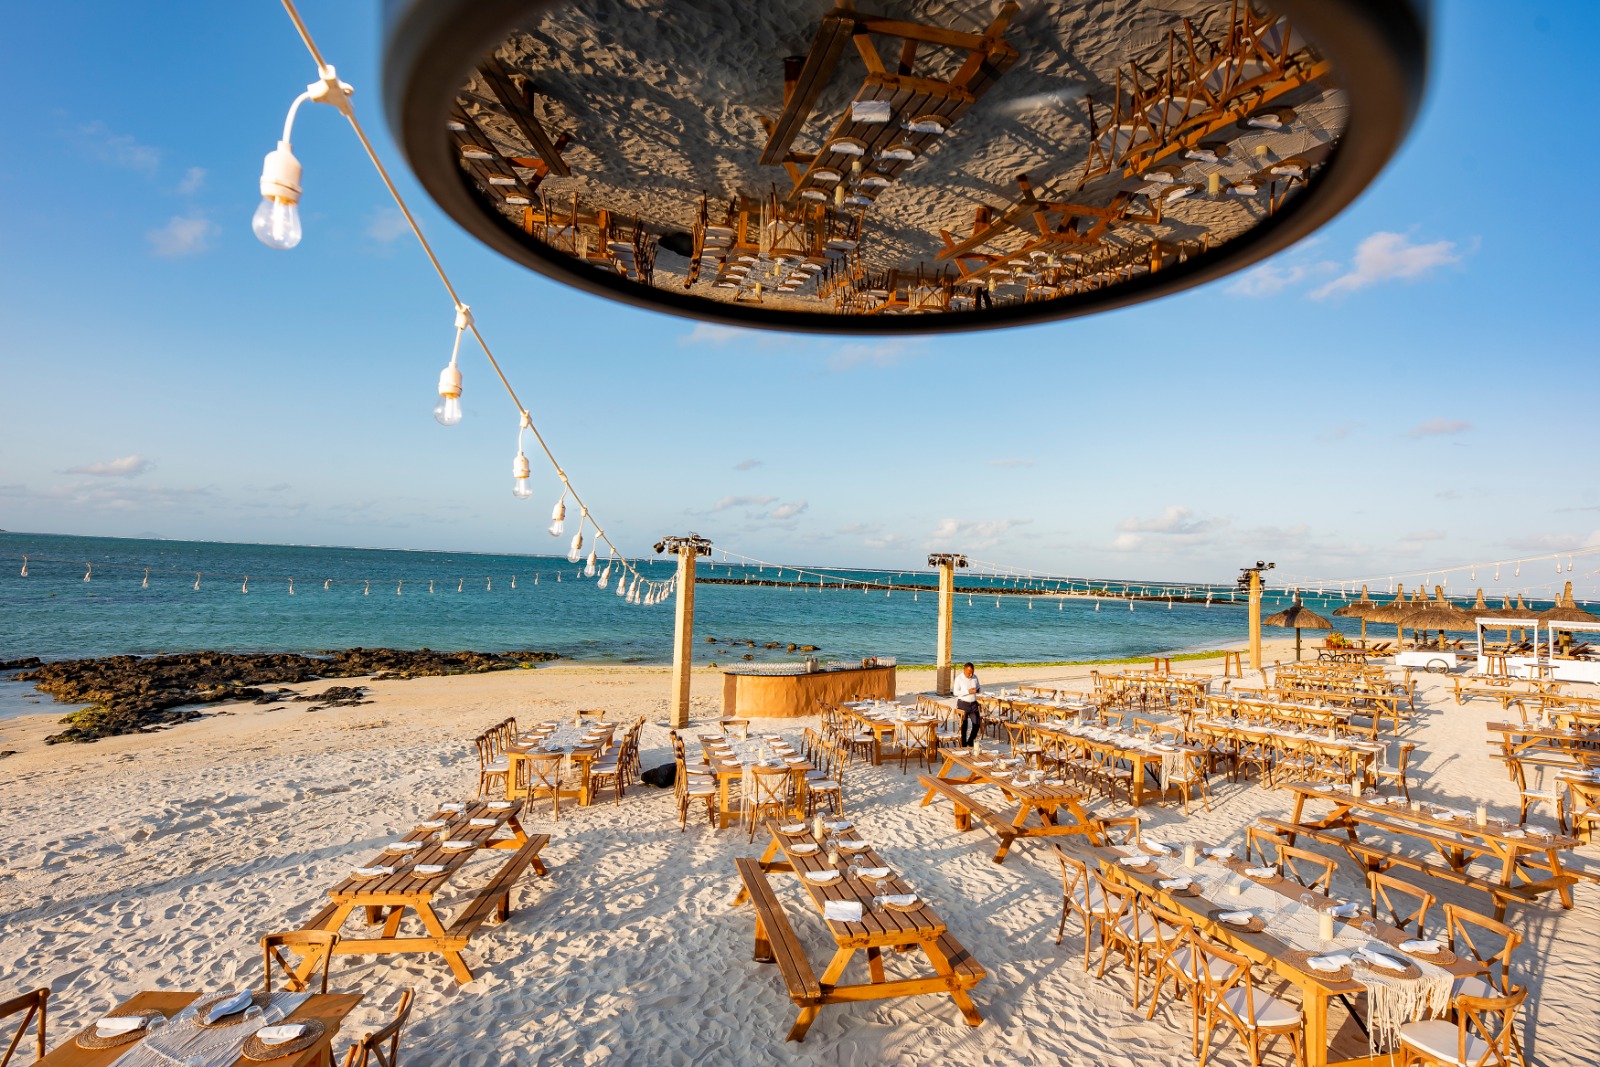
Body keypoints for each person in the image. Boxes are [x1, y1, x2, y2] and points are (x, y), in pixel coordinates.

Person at [954, 662, 982, 746]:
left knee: (976, 724)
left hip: (973, 704)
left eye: (972, 672)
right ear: (964, 670)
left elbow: (979, 687)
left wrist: (977, 690)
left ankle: (970, 742)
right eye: (969, 673)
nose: (970, 675)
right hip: (963, 704)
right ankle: (963, 745)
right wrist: (968, 691)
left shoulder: (975, 677)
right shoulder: (959, 679)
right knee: (964, 726)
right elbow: (955, 692)